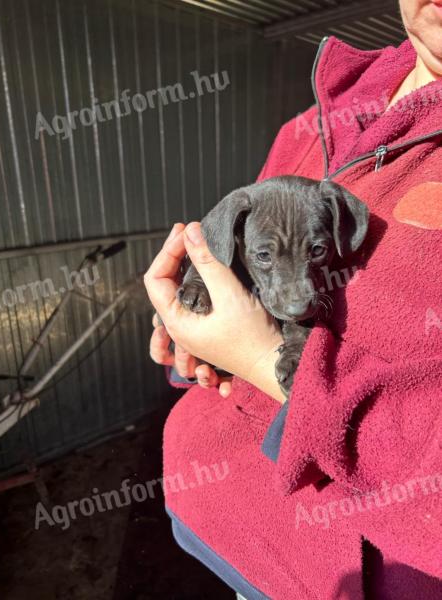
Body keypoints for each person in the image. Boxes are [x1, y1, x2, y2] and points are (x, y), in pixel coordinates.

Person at [144, 0, 442, 597]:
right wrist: (196, 337)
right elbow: (240, 262)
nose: (299, 289)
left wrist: (261, 360)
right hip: (224, 531)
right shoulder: (312, 122)